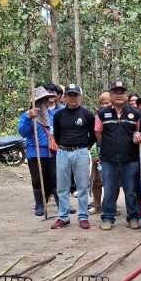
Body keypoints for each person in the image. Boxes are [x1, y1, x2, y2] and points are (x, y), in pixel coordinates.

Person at [94, 79, 141, 231]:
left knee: (131, 191)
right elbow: (98, 133)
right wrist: (110, 147)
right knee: (109, 190)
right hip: (109, 160)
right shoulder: (102, 114)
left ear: (126, 95)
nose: (119, 95)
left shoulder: (135, 114)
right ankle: (108, 218)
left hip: (131, 159)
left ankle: (133, 217)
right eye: (115, 92)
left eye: (122, 92)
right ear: (111, 95)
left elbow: (139, 133)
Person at [51, 84, 96, 230]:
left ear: (80, 97)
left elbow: (93, 135)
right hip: (63, 152)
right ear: (64, 97)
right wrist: (63, 146)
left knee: (82, 186)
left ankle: (83, 217)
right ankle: (63, 217)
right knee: (62, 187)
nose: (73, 98)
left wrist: (85, 147)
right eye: (70, 95)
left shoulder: (87, 114)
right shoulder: (59, 115)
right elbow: (57, 135)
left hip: (81, 152)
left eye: (75, 95)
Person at [19, 87, 57, 216]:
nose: (43, 103)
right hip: (35, 153)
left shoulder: (51, 115)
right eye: (40, 100)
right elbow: (23, 132)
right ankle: (39, 204)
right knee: (37, 180)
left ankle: (61, 204)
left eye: (45, 100)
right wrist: (28, 118)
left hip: (51, 152)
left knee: (54, 179)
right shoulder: (27, 115)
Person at [89, 91, 110, 215]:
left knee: (111, 182)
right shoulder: (95, 117)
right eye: (103, 103)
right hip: (97, 151)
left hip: (112, 153)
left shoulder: (116, 116)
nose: (106, 105)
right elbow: (91, 136)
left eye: (108, 103)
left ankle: (110, 206)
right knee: (96, 181)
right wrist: (94, 153)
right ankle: (97, 205)